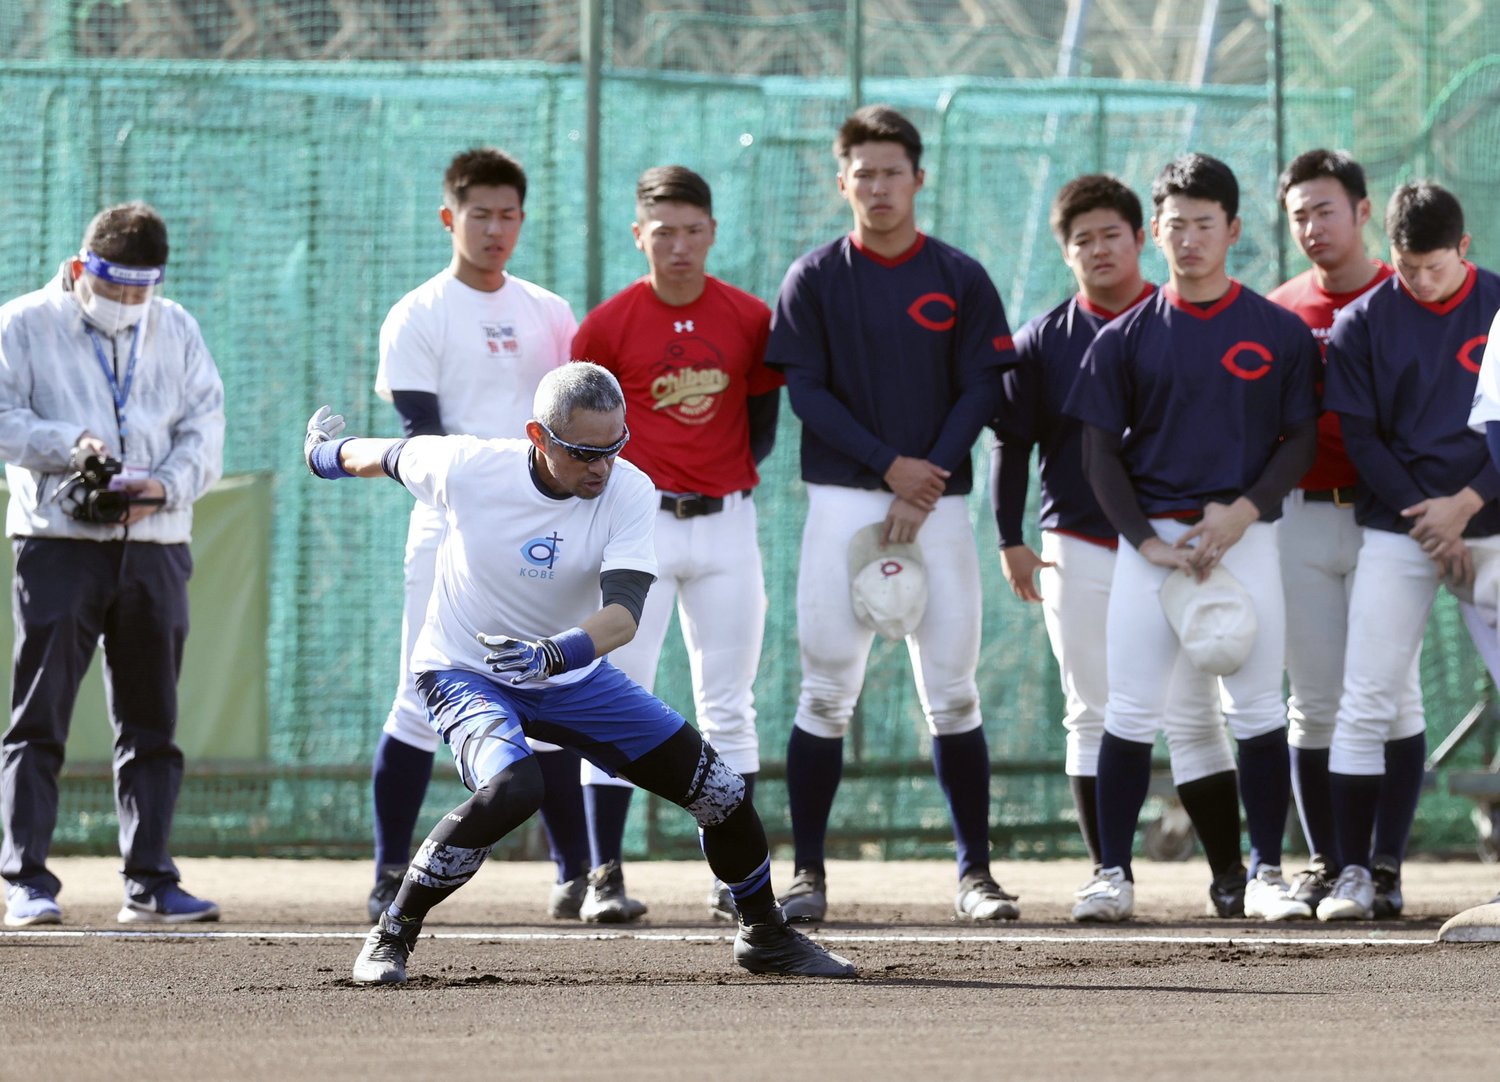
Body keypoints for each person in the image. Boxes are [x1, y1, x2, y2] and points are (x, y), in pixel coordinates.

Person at [303, 364, 855, 984]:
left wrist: (552, 655)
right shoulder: (467, 466)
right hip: (464, 672)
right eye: (585, 452)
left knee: (722, 793)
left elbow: (623, 616)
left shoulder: (629, 490)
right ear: (538, 435)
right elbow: (379, 455)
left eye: (615, 447)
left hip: (573, 675)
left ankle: (765, 935)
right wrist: (321, 453)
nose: (602, 466)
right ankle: (391, 936)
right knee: (514, 788)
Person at [765, 104, 1019, 923]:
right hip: (845, 498)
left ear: (919, 178)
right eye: (863, 173)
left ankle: (974, 876)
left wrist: (928, 474)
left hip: (940, 503)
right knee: (826, 691)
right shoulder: (814, 278)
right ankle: (806, 874)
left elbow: (985, 384)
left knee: (952, 692)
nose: (878, 187)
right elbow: (805, 390)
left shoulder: (959, 276)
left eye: (892, 172)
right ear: (841, 180)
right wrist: (888, 466)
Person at [1062, 153, 1320, 922]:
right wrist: (1145, 542)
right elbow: (1097, 453)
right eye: (1175, 225)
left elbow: (1300, 439)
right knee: (1129, 712)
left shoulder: (1277, 331)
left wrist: (1243, 512)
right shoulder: (1121, 339)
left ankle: (1269, 872)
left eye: (1204, 224)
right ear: (1156, 233)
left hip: (1245, 541)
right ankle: (1112, 874)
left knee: (1257, 710)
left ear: (1233, 229)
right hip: (1158, 554)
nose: (1189, 239)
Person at [989, 174, 1245, 918]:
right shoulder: (1044, 339)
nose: (1098, 249)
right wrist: (1010, 538)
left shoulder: (1182, 319)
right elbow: (1012, 444)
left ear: (1143, 238)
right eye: (1081, 240)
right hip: (1080, 540)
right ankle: (1111, 872)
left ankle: (1230, 874)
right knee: (1093, 710)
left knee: (1196, 709)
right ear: (1064, 252)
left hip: (1178, 538)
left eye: (1112, 234)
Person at [368, 147, 602, 924]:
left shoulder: (550, 311)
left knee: (552, 687)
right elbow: (421, 443)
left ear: (522, 219)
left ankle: (576, 875)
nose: (495, 229)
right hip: (449, 533)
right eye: (479, 214)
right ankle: (386, 873)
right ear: (449, 217)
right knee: (417, 694)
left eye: (508, 215)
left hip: (546, 533)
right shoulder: (418, 314)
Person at [0, 202, 225, 925]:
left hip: (156, 544)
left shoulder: (178, 326)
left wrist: (163, 487)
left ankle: (151, 881)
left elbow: (205, 426)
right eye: (114, 286)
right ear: (80, 269)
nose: (127, 302)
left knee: (152, 720)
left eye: (141, 288)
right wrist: (75, 444)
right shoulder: (23, 324)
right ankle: (23, 878)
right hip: (56, 541)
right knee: (39, 717)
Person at [570, 165, 782, 922]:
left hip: (727, 520)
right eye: (664, 232)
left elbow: (761, 417)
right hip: (640, 525)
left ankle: (737, 882)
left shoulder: (749, 317)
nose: (680, 246)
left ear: (713, 233)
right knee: (615, 693)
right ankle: (606, 877)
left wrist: (728, 474)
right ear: (640, 236)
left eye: (693, 231)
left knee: (729, 704)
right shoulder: (606, 326)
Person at [1319, 182, 1500, 920]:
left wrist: (1466, 506)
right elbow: (1360, 438)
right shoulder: (1362, 321)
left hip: (1489, 523)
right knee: (1365, 697)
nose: (1419, 281)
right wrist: (1430, 521)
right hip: (1403, 528)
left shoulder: (1498, 306)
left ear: (1464, 249)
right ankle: (1355, 874)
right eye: (1405, 267)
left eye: (1433, 265)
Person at [1266, 149, 1423, 916]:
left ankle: (1383, 865)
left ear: (1364, 212)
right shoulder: (1281, 308)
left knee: (1394, 697)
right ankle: (1331, 861)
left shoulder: (1408, 298)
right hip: (1299, 515)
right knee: (1315, 701)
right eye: (1298, 213)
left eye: (1326, 209)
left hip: (1387, 519)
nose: (1312, 226)